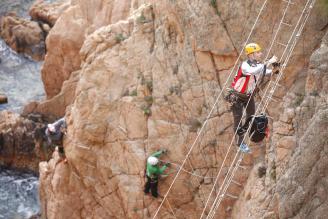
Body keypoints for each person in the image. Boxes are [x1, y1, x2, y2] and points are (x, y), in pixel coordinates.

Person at [229, 43, 280, 153]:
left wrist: (275, 68)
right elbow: (254, 71)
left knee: (251, 116)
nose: (260, 54)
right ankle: (240, 143)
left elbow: (267, 72)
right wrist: (269, 62)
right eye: (258, 52)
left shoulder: (258, 65)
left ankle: (247, 133)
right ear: (251, 54)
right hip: (237, 96)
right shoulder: (245, 65)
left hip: (248, 96)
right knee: (237, 120)